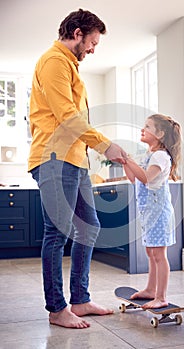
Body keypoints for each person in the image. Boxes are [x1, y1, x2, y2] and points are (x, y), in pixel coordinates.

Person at [28, 8, 127, 329]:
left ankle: (80, 300)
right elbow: (67, 115)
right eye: (93, 42)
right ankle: (57, 308)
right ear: (77, 33)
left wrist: (91, 151)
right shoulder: (54, 61)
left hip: (74, 161)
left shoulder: (68, 65)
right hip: (55, 159)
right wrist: (105, 145)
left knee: (89, 227)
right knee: (56, 233)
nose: (93, 49)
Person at [123, 114, 181, 309]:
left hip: (159, 213)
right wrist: (125, 162)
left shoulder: (160, 156)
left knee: (159, 254)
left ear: (160, 134)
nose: (143, 128)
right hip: (149, 212)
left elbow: (146, 178)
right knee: (151, 252)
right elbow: (134, 179)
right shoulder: (149, 155)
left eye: (147, 126)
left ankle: (161, 296)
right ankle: (150, 290)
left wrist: (129, 161)